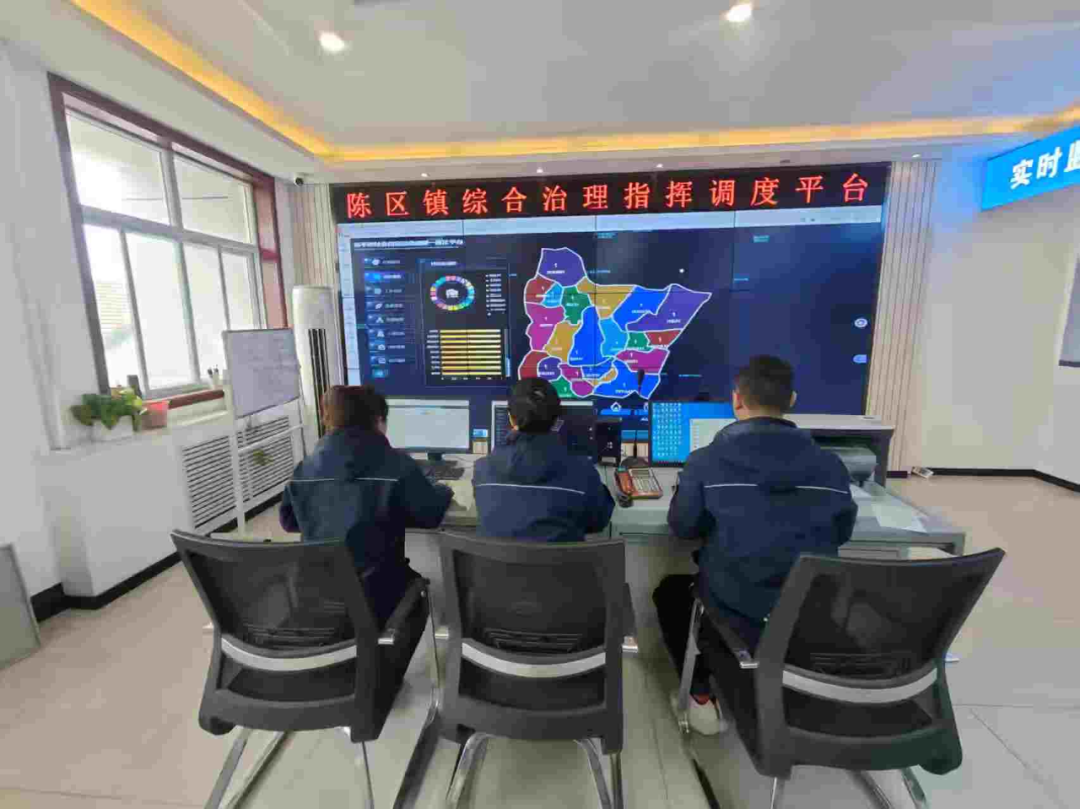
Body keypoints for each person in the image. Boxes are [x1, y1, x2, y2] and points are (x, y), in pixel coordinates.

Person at [654, 355, 856, 734]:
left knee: (672, 593)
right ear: (792, 400)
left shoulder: (706, 461)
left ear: (737, 400)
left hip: (738, 611)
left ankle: (701, 698)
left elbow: (683, 527)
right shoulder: (831, 465)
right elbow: (841, 532)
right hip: (809, 613)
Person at [280, 385, 453, 627]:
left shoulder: (305, 467)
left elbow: (289, 522)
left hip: (315, 599)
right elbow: (430, 515)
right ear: (378, 420)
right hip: (378, 600)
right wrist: (443, 491)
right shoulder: (397, 465)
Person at [473, 377, 614, 541]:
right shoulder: (583, 472)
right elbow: (599, 521)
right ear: (556, 421)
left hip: (495, 559)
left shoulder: (482, 470)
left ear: (511, 418)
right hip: (561, 558)